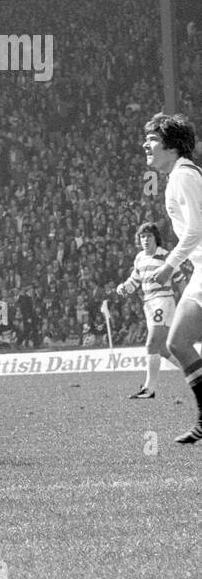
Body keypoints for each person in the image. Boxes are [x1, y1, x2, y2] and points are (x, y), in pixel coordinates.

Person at [141, 113, 202, 443]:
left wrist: (169, 264)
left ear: (172, 146)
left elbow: (196, 230)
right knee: (177, 343)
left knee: (176, 342)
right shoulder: (180, 175)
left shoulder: (184, 177)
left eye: (152, 140)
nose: (145, 145)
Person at [115, 222, 184, 399]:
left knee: (151, 344)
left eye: (149, 236)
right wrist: (123, 287)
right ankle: (196, 372)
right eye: (142, 236)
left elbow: (180, 279)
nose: (145, 239)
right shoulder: (139, 258)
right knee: (163, 349)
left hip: (163, 300)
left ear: (156, 238)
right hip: (149, 303)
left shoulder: (165, 256)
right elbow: (134, 280)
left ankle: (149, 388)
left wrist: (185, 302)